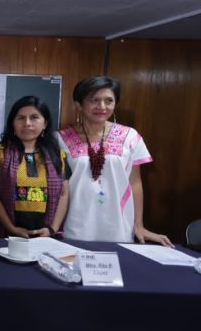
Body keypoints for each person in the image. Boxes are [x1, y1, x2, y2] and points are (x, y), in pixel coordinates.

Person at [56, 76, 172, 246]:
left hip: (117, 225)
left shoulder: (130, 136)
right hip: (75, 223)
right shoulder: (60, 139)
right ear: (78, 104)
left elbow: (135, 183)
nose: (102, 106)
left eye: (108, 100)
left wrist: (138, 226)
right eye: (94, 100)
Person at [0, 96, 70, 238]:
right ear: (12, 123)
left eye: (34, 117)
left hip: (46, 235)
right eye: (21, 118)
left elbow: (64, 195)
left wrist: (52, 229)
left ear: (45, 123)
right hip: (6, 233)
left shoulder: (58, 155)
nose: (27, 123)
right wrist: (11, 228)